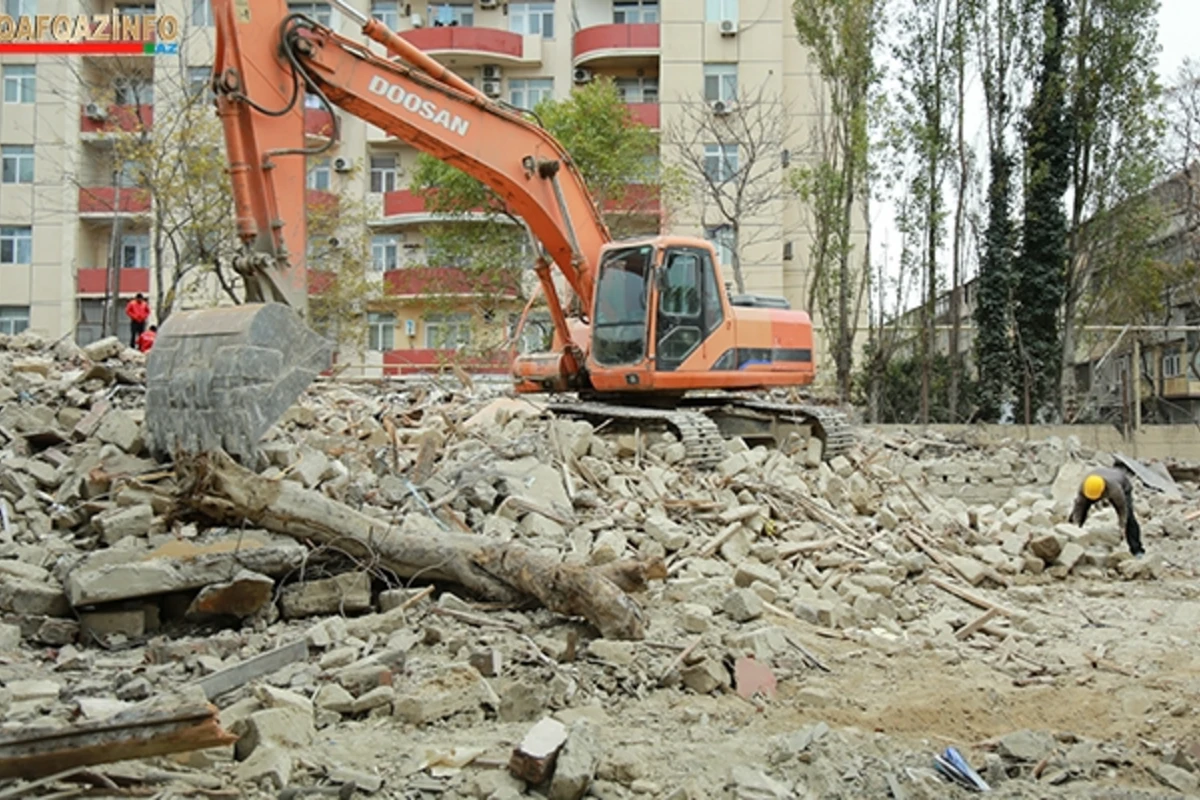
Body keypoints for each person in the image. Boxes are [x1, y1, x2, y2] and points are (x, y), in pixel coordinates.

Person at [1068, 464, 1144, 557]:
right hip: (1098, 481)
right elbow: (1079, 506)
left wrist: (1122, 526)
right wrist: (1075, 526)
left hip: (1123, 485)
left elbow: (1122, 509)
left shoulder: (1115, 489)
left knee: (1129, 517)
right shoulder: (1084, 487)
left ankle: (1136, 550)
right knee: (1080, 509)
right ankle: (1071, 539)